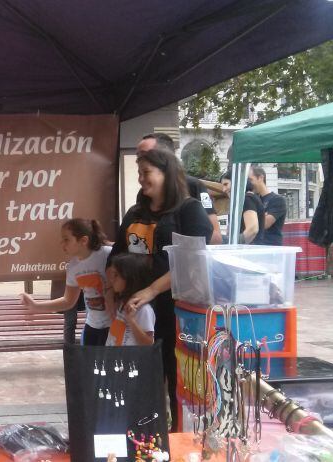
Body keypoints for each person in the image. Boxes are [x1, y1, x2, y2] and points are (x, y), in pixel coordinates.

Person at [109, 147, 213, 429]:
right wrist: (112, 293)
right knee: (135, 376)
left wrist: (153, 290)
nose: (141, 178)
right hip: (133, 310)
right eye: (139, 173)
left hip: (172, 310)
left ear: (167, 174)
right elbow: (118, 253)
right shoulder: (135, 212)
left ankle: (175, 434)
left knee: (173, 373)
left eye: (147, 172)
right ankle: (142, 433)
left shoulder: (188, 210)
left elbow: (191, 261)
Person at [21, 219, 113, 346]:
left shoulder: (107, 254)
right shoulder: (73, 267)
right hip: (92, 326)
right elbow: (68, 301)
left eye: (66, 239)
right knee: (89, 365)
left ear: (83, 241)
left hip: (115, 326)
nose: (62, 244)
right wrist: (36, 306)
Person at [139, 133, 223, 244]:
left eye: (146, 154)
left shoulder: (193, 187)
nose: (140, 159)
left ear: (165, 158)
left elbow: (216, 236)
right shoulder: (143, 195)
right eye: (138, 154)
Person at [105, 253, 155, 346]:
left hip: (131, 360)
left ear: (130, 279)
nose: (112, 279)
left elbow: (148, 343)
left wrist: (131, 320)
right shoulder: (121, 302)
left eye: (116, 275)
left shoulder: (144, 310)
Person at [220, 171, 265, 244]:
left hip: (249, 251)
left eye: (226, 184)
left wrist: (233, 244)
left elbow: (252, 229)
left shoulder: (246, 198)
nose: (224, 190)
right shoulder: (242, 200)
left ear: (236, 182)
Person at [248, 166, 287, 245]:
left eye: (250, 180)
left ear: (261, 178)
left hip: (271, 249)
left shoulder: (277, 200)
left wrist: (251, 220)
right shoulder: (251, 200)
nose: (248, 184)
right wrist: (262, 216)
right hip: (254, 248)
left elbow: (264, 224)